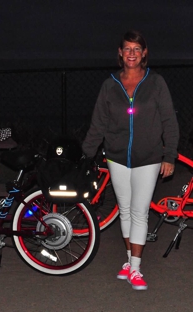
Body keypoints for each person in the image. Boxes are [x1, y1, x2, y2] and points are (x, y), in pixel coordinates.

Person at [82, 30, 179, 290]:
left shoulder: (156, 82)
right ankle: (128, 260)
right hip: (116, 157)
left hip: (148, 158)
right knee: (124, 210)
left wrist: (169, 155)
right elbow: (98, 124)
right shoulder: (109, 84)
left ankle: (135, 268)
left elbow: (169, 121)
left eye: (137, 49)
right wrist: (85, 154)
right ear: (120, 53)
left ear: (144, 53)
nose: (132, 53)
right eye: (128, 49)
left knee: (139, 211)